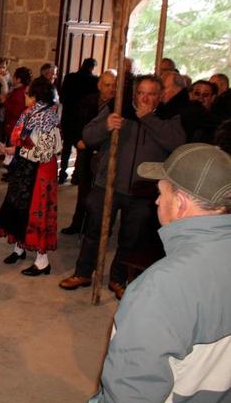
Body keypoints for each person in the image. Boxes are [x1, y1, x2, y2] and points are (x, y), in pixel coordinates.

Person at [88, 143, 231, 403]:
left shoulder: (160, 289)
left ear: (180, 203)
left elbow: (129, 394)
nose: (156, 200)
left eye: (161, 192)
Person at [59, 75, 186, 299]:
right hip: (107, 183)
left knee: (131, 237)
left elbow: (177, 144)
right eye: (141, 93)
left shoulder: (168, 117)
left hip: (143, 190)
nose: (145, 98)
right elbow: (88, 136)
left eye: (151, 93)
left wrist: (149, 119)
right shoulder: (118, 110)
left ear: (159, 96)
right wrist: (106, 126)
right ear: (134, 94)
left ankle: (118, 278)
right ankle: (84, 272)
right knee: (94, 231)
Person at [0, 77, 62, 276]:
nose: (24, 95)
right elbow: (25, 143)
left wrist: (19, 151)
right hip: (25, 169)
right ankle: (19, 247)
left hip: (40, 171)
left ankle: (43, 261)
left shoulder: (47, 118)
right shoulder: (30, 113)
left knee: (37, 212)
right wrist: (12, 149)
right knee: (17, 207)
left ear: (35, 97)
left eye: (27, 93)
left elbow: (46, 152)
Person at [61, 70, 117, 235]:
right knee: (83, 190)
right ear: (99, 85)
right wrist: (77, 140)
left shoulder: (118, 105)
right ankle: (77, 224)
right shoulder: (87, 101)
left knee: (100, 194)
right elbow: (74, 123)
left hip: (105, 154)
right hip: (85, 153)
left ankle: (95, 228)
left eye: (114, 85)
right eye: (107, 85)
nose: (111, 89)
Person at [59, 58, 99, 184]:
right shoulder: (94, 81)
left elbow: (62, 96)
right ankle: (76, 175)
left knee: (66, 146)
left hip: (68, 116)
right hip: (83, 120)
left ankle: (62, 172)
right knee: (81, 147)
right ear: (92, 68)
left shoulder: (70, 78)